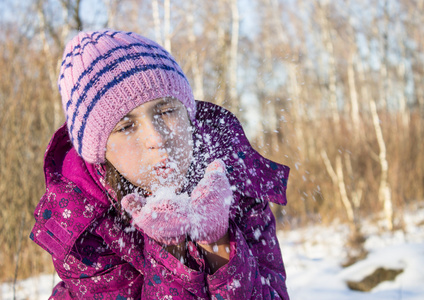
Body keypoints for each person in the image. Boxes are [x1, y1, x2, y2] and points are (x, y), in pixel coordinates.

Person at [30, 29, 290, 299]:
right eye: (126, 126)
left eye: (166, 111)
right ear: (101, 152)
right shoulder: (83, 225)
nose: (157, 138)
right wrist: (171, 250)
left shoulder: (232, 176)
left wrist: (217, 241)